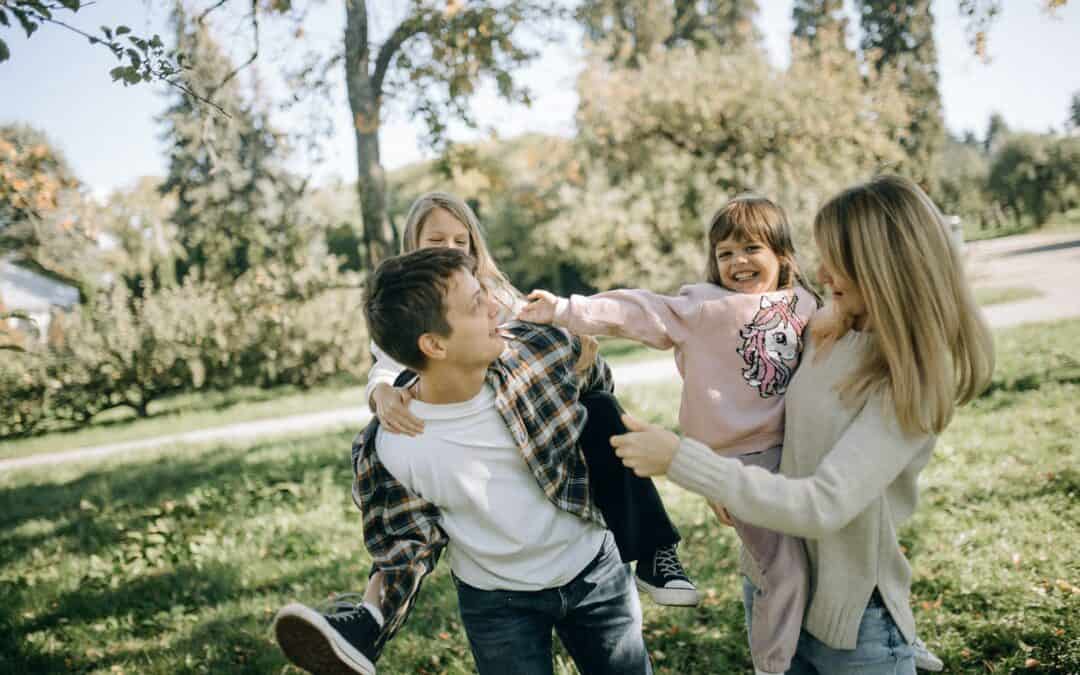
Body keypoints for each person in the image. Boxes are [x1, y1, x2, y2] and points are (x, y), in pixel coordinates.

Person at [608, 175, 993, 674]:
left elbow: (823, 503)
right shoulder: (824, 327)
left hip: (850, 623)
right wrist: (723, 471)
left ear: (879, 266)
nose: (821, 269)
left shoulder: (909, 379)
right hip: (773, 586)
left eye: (837, 258)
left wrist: (682, 461)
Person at [274, 247, 653, 675]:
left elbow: (598, 391)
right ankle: (360, 629)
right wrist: (377, 617)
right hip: (498, 604)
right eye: (476, 304)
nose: (496, 306)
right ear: (434, 344)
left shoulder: (541, 349)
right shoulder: (395, 445)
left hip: (594, 570)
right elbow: (405, 546)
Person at [519, 194, 820, 674]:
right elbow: (637, 311)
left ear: (782, 253)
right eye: (726, 253)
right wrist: (565, 310)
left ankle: (891, 635)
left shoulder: (806, 302)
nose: (738, 261)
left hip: (803, 451)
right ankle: (774, 665)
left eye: (751, 248)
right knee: (785, 567)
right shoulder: (703, 307)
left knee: (826, 549)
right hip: (735, 459)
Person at [364, 191, 696, 605]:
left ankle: (653, 549)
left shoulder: (493, 295)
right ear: (413, 245)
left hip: (532, 415)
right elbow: (384, 361)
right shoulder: (408, 311)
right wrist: (380, 391)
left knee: (602, 410)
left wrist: (574, 338)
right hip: (473, 435)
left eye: (460, 241)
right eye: (436, 242)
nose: (451, 249)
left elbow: (539, 328)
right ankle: (372, 612)